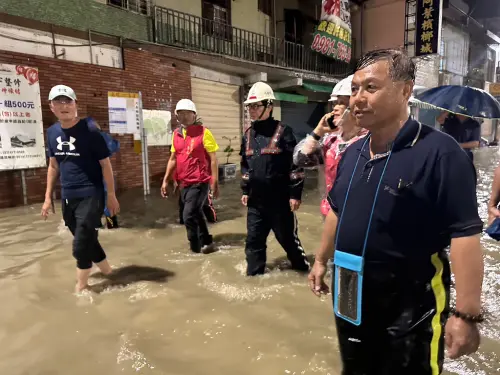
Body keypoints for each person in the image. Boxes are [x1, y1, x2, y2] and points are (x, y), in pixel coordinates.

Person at [308, 49, 483, 374]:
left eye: (370, 88)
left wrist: (467, 314)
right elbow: (336, 210)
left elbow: (465, 236)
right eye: (355, 88)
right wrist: (320, 260)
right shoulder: (352, 153)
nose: (357, 99)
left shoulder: (441, 154)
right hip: (349, 289)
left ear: (405, 90)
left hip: (410, 301)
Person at [41, 85, 120, 293]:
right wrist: (48, 197)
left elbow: (106, 164)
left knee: (80, 244)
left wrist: (111, 195)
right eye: (58, 102)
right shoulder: (51, 133)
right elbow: (53, 165)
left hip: (91, 193)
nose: (64, 106)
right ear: (51, 107)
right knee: (87, 238)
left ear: (76, 104)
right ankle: (110, 273)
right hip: (68, 195)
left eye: (68, 101)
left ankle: (82, 287)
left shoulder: (90, 131)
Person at [240, 82, 310, 276]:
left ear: (269, 106)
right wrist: (245, 190)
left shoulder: (284, 132)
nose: (251, 110)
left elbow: (295, 165)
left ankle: (304, 271)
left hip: (280, 202)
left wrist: (295, 194)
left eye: (256, 106)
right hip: (256, 203)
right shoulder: (247, 135)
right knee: (253, 243)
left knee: (288, 241)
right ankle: (254, 279)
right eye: (250, 107)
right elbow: (245, 165)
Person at [294, 74, 368, 218]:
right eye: (335, 103)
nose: (335, 108)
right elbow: (301, 160)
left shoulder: (369, 141)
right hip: (329, 211)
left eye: (342, 103)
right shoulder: (331, 140)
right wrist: (318, 131)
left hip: (356, 215)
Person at [161, 99, 219, 254]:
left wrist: (215, 181)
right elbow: (173, 159)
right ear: (177, 116)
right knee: (196, 213)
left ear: (194, 115)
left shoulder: (204, 133)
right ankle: (207, 241)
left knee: (187, 216)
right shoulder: (176, 134)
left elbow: (213, 158)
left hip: (200, 182)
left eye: (188, 113)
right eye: (181, 113)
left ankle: (195, 251)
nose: (184, 116)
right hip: (183, 183)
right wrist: (165, 180)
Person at [87, 118, 120, 229]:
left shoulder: (80, 137)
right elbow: (115, 146)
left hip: (87, 180)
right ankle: (111, 226)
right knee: (108, 205)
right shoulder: (103, 137)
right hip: (103, 177)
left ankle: (96, 227)